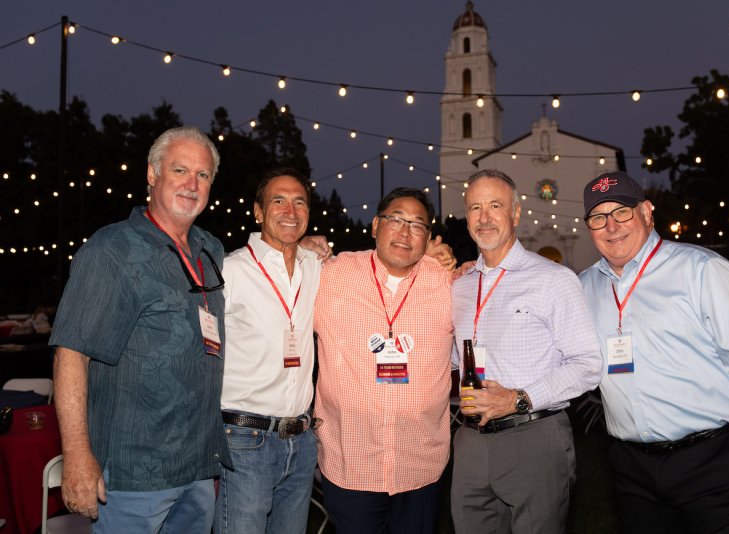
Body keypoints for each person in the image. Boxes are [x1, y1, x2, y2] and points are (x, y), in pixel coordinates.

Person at [578, 170, 729, 533]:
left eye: (622, 212)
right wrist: (466, 273)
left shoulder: (702, 271)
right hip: (632, 471)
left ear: (646, 212)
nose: (611, 226)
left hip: (713, 463)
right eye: (598, 217)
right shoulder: (582, 287)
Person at [50, 126, 229, 531]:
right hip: (133, 474)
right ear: (152, 174)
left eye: (202, 175)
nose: (191, 184)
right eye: (180, 170)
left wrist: (300, 247)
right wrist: (77, 456)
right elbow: (71, 353)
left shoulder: (210, 249)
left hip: (199, 467)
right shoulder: (111, 250)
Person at [450, 169, 602, 534]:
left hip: (533, 437)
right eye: (474, 208)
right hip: (470, 441)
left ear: (515, 214)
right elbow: (456, 359)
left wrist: (518, 399)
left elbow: (587, 364)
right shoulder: (459, 286)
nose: (484, 217)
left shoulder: (552, 279)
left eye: (495, 206)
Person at [313, 187, 454, 534]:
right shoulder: (330, 275)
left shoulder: (449, 282)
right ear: (375, 225)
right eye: (396, 219)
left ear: (429, 237)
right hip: (351, 461)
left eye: (418, 225)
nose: (405, 232)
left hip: (421, 462)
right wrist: (302, 245)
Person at [214, 168, 323, 534]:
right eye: (278, 200)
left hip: (302, 441)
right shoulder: (230, 271)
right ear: (258, 212)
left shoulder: (316, 267)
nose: (290, 211)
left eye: (299, 202)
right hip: (246, 441)